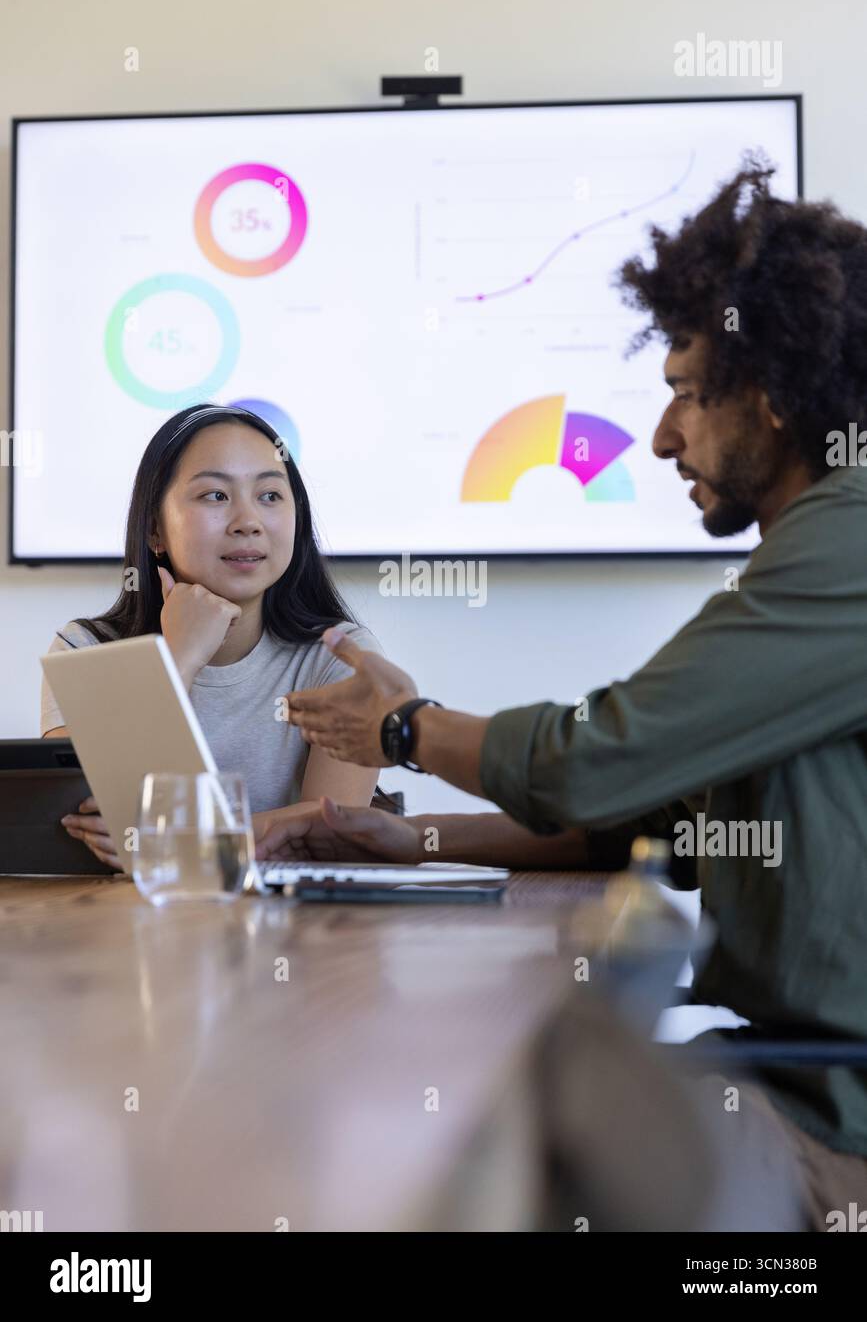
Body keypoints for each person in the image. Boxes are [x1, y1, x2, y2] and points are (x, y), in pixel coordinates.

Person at [256, 157, 867, 1229]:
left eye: (684, 391)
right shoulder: (817, 551)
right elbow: (647, 821)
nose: (665, 436)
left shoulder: (853, 539)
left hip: (833, 1125)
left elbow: (601, 755)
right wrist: (422, 841)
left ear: (772, 400)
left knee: (461, 1115)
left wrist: (405, 728)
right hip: (788, 1078)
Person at [40, 404, 381, 865]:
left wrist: (181, 843)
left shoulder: (340, 657)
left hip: (289, 928)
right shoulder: (84, 650)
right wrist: (180, 659)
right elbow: (94, 813)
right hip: (115, 920)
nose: (247, 521)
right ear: (155, 530)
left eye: (270, 496)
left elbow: (331, 832)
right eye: (216, 496)